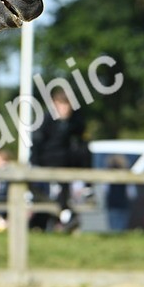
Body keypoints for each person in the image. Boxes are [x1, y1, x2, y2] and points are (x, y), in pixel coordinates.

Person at [30, 86, 89, 230]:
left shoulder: (75, 120)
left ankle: (65, 214)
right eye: (62, 104)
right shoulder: (45, 120)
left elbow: (81, 143)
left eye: (68, 104)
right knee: (41, 195)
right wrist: (35, 164)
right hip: (46, 163)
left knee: (64, 190)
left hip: (66, 165)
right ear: (54, 104)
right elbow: (37, 144)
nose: (66, 109)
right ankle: (47, 221)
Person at [103, 154, 133, 231]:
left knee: (113, 227)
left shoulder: (108, 177)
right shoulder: (127, 177)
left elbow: (105, 190)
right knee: (121, 227)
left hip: (112, 204)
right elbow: (132, 194)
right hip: (123, 205)